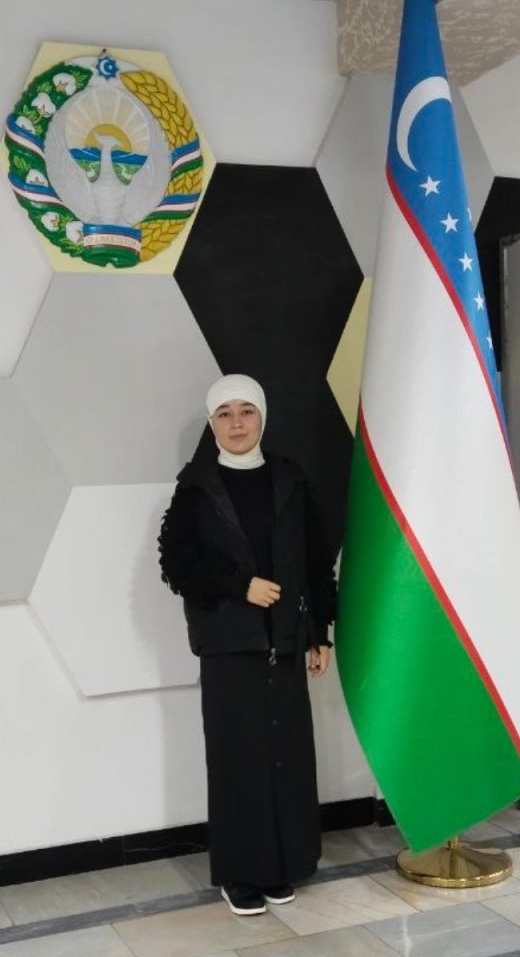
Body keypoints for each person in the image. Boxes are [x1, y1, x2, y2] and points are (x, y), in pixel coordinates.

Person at [158, 374, 337, 916]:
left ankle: (282, 864)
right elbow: (176, 564)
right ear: (212, 423)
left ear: (263, 417)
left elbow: (315, 559)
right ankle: (240, 874)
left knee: (285, 757)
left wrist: (321, 631)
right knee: (240, 760)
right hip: (229, 646)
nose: (236, 424)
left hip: (286, 641)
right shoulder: (196, 487)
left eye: (246, 412)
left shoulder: (288, 479)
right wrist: (241, 586)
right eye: (224, 414)